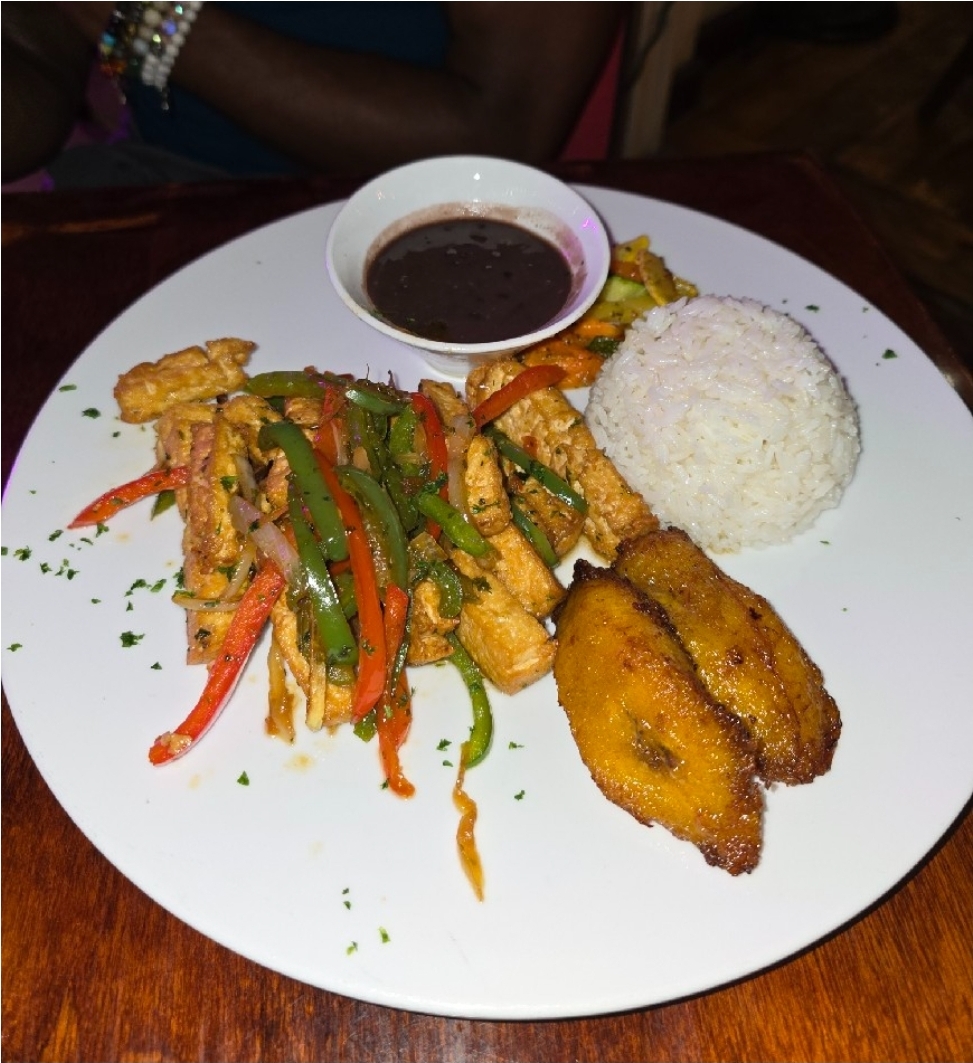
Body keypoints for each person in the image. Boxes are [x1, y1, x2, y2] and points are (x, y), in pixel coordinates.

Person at [2, 3, 623, 186]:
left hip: (425, 214)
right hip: (159, 187)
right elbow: (35, 61)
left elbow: (502, 133)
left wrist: (147, 20)